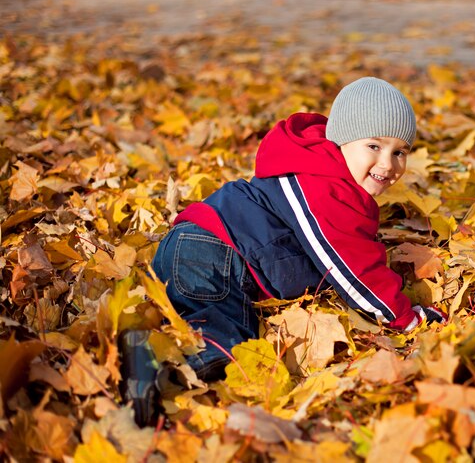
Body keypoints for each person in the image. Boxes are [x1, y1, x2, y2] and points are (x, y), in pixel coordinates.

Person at [121, 77, 446, 424]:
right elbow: (355, 272)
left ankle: (156, 351)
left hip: (205, 249)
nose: (388, 163)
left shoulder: (322, 173)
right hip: (213, 254)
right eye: (374, 146)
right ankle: (154, 367)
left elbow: (348, 247)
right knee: (232, 349)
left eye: (400, 152)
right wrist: (408, 319)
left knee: (207, 324)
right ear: (341, 141)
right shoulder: (324, 188)